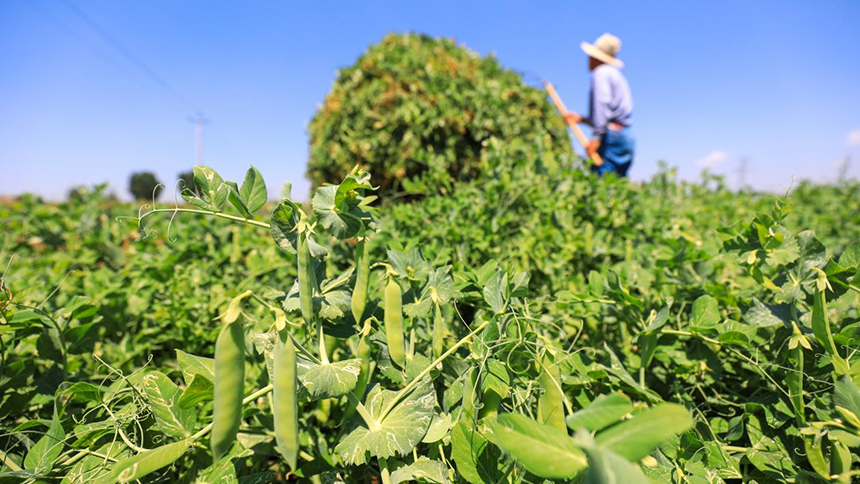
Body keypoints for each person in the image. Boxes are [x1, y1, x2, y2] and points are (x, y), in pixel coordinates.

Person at [564, 33, 634, 177]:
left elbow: (603, 105)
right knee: (617, 186)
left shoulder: (601, 73)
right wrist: (580, 119)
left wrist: (596, 138)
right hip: (625, 137)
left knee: (602, 184)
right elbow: (610, 115)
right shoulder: (617, 76)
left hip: (611, 138)